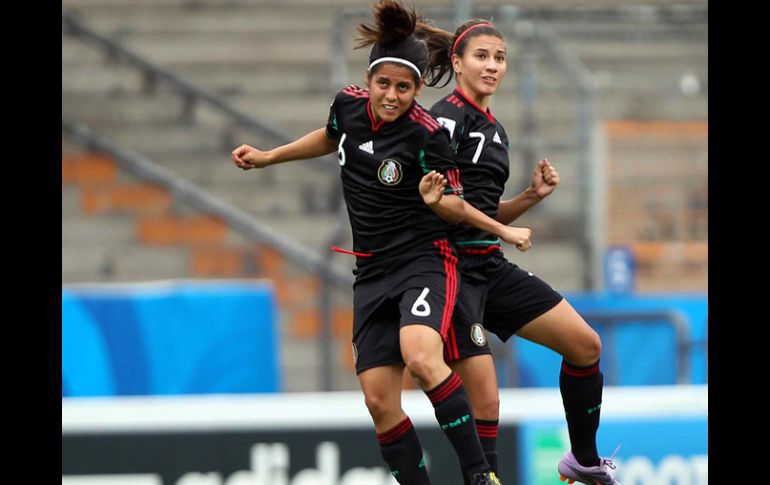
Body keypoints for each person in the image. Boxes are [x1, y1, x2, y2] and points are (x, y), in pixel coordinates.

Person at [230, 2, 510, 484]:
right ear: (368, 79)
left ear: (417, 90)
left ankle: (479, 475)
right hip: (372, 272)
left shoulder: (427, 135)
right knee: (379, 401)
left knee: (421, 357)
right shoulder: (347, 105)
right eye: (384, 84)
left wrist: (446, 204)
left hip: (423, 261)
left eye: (404, 88)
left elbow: (455, 207)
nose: (392, 96)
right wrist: (269, 156)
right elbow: (330, 135)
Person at [418, 19, 622, 485]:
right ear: (457, 63)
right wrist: (504, 232)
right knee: (486, 401)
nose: (492, 66)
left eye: (500, 58)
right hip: (449, 271)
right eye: (481, 56)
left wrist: (530, 197)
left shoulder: (495, 130)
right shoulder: (444, 119)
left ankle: (583, 460)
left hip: (489, 265)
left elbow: (482, 209)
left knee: (585, 345)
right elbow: (446, 206)